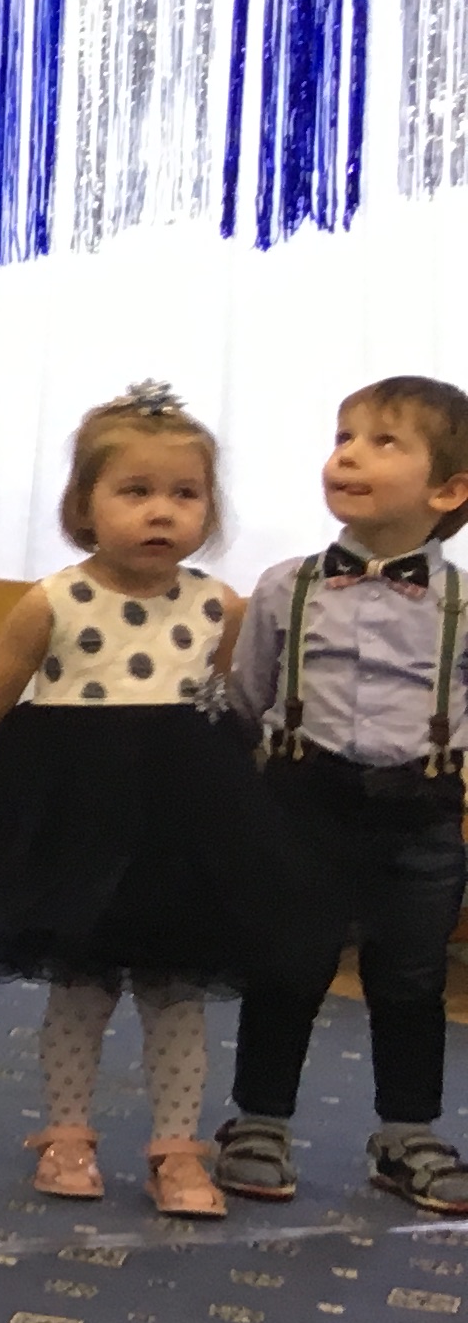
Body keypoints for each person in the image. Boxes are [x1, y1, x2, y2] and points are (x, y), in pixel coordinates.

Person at [0, 386, 303, 1220]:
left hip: (183, 828)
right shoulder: (52, 601)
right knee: (80, 987)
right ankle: (67, 1134)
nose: (161, 511)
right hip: (77, 819)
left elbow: (232, 710)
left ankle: (177, 1148)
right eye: (136, 491)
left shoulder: (220, 606)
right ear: (84, 505)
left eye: (185, 494)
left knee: (177, 991)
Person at [216, 376, 468, 1215]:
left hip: (420, 812)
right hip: (303, 800)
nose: (349, 455)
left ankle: (408, 1132)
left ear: (449, 491)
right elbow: (247, 698)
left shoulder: (464, 603)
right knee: (286, 966)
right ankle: (259, 1120)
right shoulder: (285, 586)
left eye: (383, 442)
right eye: (343, 437)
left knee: (412, 977)